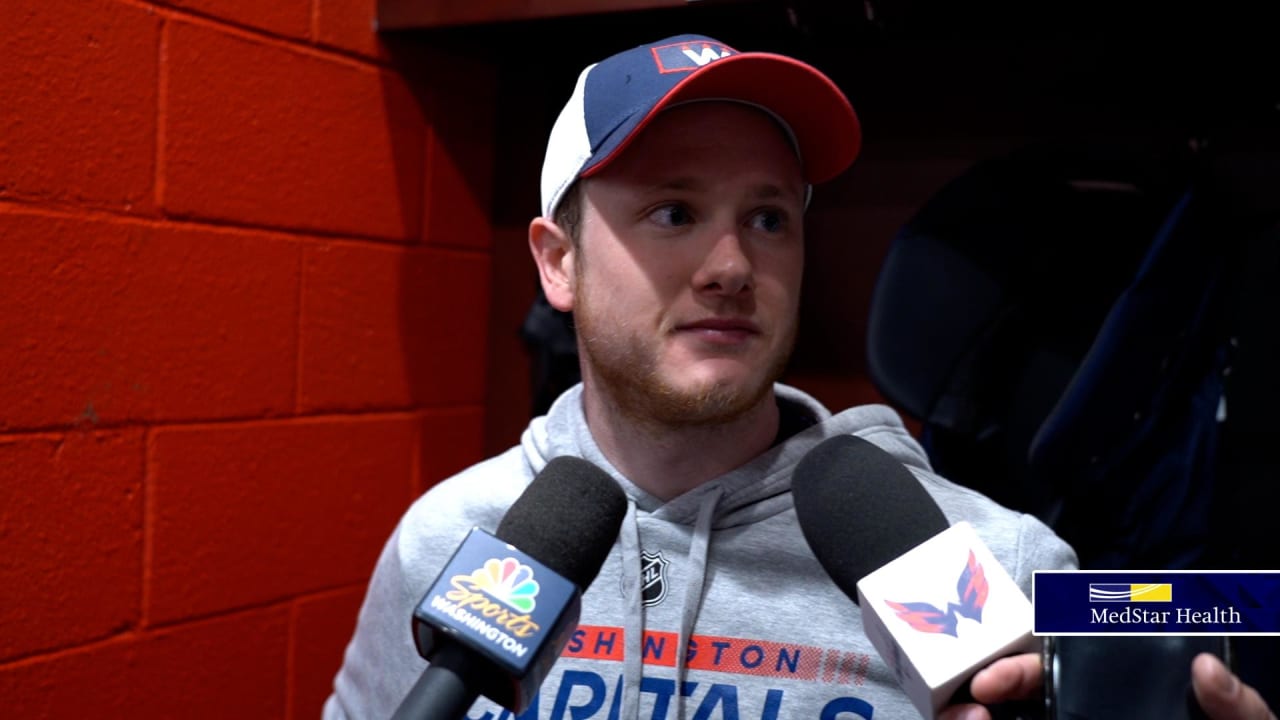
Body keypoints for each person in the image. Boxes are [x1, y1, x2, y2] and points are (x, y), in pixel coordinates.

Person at [324, 34, 1275, 720]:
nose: (733, 263)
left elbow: (1214, 621)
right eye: (673, 211)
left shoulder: (1007, 571)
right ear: (557, 261)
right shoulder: (448, 542)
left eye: (769, 218)